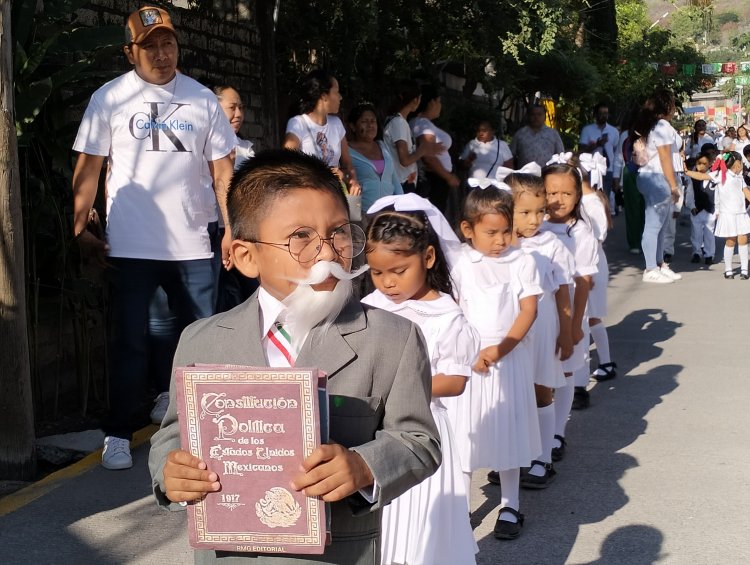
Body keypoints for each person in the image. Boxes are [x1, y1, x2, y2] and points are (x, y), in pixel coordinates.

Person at [149, 149, 442, 565]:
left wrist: (363, 465)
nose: (328, 254)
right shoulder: (201, 340)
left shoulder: (392, 339)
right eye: (301, 237)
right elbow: (173, 434)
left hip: (336, 554)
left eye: (340, 232)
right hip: (230, 554)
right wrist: (169, 470)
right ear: (246, 256)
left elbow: (419, 442)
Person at [71, 6, 236, 470]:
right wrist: (80, 225)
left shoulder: (202, 100)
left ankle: (204, 432)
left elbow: (222, 169)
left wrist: (230, 229)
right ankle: (119, 432)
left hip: (193, 242)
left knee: (199, 338)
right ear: (130, 52)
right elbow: (89, 165)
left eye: (168, 44)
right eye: (150, 46)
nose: (162, 54)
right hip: (131, 243)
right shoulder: (110, 98)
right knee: (131, 340)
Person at [362, 195, 479, 565]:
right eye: (377, 273)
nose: (387, 283)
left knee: (422, 530)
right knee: (382, 526)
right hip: (376, 430)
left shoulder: (446, 316)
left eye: (398, 270)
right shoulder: (372, 307)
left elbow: (455, 381)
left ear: (427, 258)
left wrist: (400, 389)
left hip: (423, 429)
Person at [447, 186, 542, 540]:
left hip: (507, 360)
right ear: (468, 229)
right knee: (465, 433)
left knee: (508, 431)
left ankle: (510, 504)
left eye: (506, 231)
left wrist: (499, 350)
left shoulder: (521, 261)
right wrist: (466, 352)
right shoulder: (458, 262)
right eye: (491, 232)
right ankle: (458, 507)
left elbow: (528, 310)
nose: (501, 240)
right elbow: (452, 309)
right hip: (468, 361)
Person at [504, 172, 574, 489]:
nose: (535, 220)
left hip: (543, 324)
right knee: (511, 393)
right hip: (508, 325)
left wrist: (568, 330)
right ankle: (513, 455)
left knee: (540, 389)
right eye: (526, 212)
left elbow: (562, 291)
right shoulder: (498, 244)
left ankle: (543, 458)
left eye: (540, 211)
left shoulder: (553, 244)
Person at [542, 156, 599, 418]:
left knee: (565, 370)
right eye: (551, 192)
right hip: (541, 313)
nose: (558, 199)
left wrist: (576, 325)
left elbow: (584, 282)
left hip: (571, 311)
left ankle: (558, 433)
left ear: (578, 196)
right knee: (542, 373)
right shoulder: (534, 228)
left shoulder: (580, 233)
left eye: (567, 193)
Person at [212, 84, 259, 312]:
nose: (238, 114)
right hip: (216, 231)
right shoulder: (205, 145)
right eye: (232, 107)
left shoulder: (245, 147)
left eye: (241, 107)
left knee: (250, 293)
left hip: (243, 229)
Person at [631, 89, 683, 284]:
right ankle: (650, 268)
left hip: (649, 177)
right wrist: (673, 186)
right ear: (667, 106)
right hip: (657, 178)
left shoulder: (654, 125)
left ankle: (659, 263)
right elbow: (664, 158)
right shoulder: (662, 126)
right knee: (654, 225)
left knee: (660, 225)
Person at [283, 69, 361, 196]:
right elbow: (286, 163)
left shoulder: (337, 124)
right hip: (309, 196)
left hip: (335, 195)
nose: (340, 97)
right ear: (324, 96)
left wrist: (351, 181)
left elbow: (347, 164)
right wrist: (324, 173)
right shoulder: (298, 123)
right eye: (337, 92)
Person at [578, 154, 617, 384]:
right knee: (589, 318)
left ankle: (588, 370)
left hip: (590, 264)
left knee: (587, 318)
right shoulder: (586, 200)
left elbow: (596, 238)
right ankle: (605, 362)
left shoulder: (590, 202)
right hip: (587, 263)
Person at [685, 151, 750, 279]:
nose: (741, 166)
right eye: (740, 163)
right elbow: (702, 176)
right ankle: (728, 269)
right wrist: (687, 172)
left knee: (743, 240)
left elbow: (746, 192)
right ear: (734, 163)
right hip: (728, 214)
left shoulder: (740, 177)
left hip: (741, 213)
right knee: (730, 241)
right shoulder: (720, 175)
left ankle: (744, 269)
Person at [382, 79, 442, 193]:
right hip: (401, 183)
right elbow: (404, 160)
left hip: (403, 182)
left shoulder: (396, 120)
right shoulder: (399, 123)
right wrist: (423, 150)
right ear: (416, 99)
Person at [410, 84, 460, 216]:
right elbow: (428, 157)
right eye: (439, 102)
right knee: (435, 216)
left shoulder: (420, 123)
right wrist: (448, 176)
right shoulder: (423, 124)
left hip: (436, 178)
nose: (440, 106)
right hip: (435, 179)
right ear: (431, 103)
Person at [347, 102, 403, 212]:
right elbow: (349, 186)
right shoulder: (346, 152)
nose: (370, 125)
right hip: (364, 215)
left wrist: (403, 207)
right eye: (364, 121)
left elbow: (395, 181)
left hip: (388, 215)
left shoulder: (382, 146)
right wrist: (355, 219)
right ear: (353, 126)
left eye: (373, 121)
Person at [613, 108, 645, 254]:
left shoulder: (649, 134)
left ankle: (647, 240)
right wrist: (616, 177)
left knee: (647, 208)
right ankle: (634, 242)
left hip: (647, 173)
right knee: (632, 209)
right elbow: (619, 157)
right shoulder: (625, 135)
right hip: (630, 172)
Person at [579, 103, 619, 210]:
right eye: (600, 113)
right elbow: (581, 151)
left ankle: (603, 224)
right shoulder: (587, 130)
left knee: (604, 200)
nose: (603, 116)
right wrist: (597, 144)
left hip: (607, 170)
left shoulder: (614, 131)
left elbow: (616, 154)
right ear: (595, 114)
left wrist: (616, 175)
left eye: (605, 113)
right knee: (591, 199)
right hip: (591, 170)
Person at [685, 152, 716, 264]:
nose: (701, 166)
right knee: (696, 233)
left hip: (710, 209)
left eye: (704, 163)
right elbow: (689, 193)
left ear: (709, 165)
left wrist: (718, 209)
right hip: (696, 210)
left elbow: (719, 194)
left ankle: (709, 255)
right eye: (699, 163)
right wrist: (691, 206)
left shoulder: (713, 176)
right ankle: (696, 253)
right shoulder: (692, 178)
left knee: (709, 234)